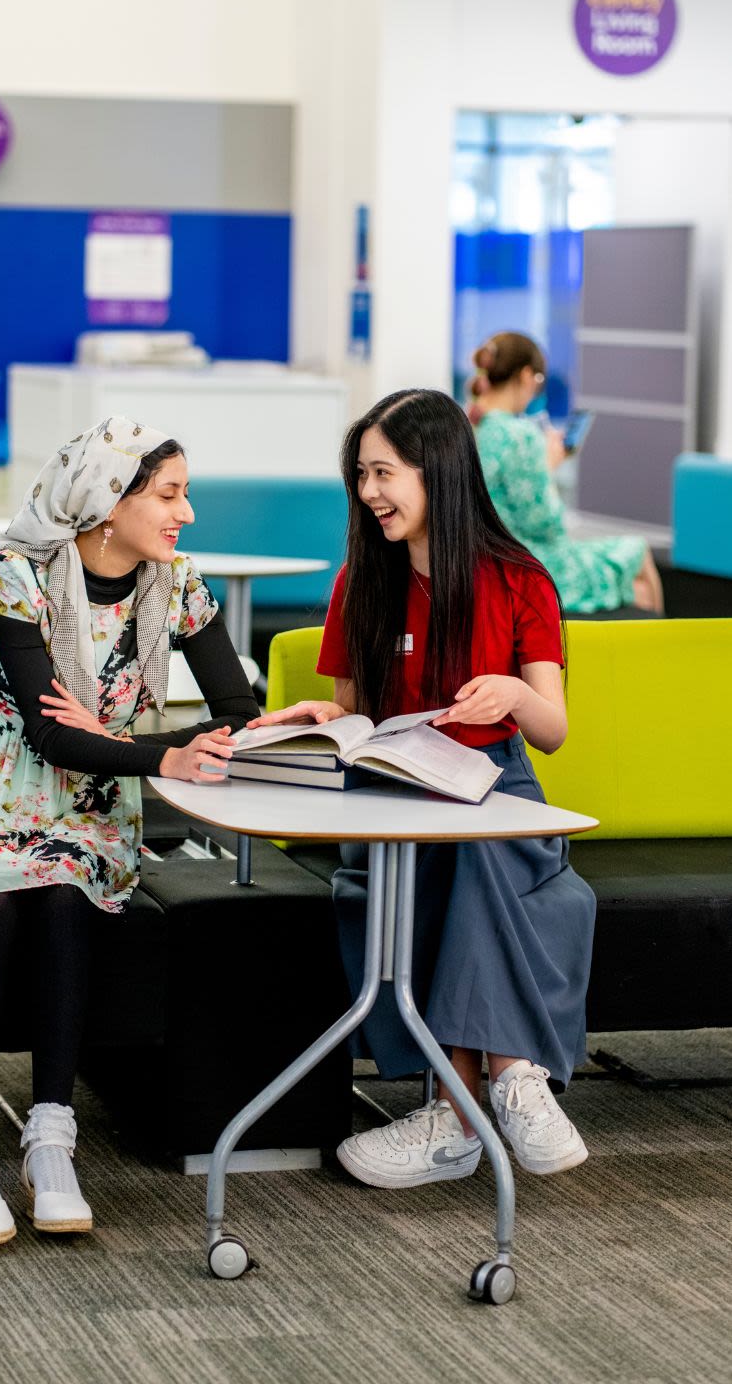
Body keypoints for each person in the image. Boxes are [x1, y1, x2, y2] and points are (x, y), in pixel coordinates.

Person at [0, 416, 258, 1251]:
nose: (185, 512)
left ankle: (52, 1137)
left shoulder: (179, 585)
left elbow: (236, 711)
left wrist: (235, 735)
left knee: (61, 885)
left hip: (87, 798)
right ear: (106, 501)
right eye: (168, 493)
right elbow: (48, 735)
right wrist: (165, 753)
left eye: (184, 492)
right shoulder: (21, 574)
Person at [248, 389, 596, 1190]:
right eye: (361, 475)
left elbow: (551, 728)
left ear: (437, 471)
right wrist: (322, 714)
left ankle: (459, 1113)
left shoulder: (519, 581)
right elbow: (359, 716)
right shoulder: (361, 583)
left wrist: (512, 692)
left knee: (478, 854)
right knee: (460, 858)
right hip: (398, 791)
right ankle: (510, 1079)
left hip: (500, 787)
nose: (369, 492)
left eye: (383, 472)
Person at [470, 331, 664, 615]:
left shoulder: (473, 426)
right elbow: (547, 522)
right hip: (533, 565)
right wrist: (547, 465)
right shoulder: (520, 436)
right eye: (537, 382)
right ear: (526, 376)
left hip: (490, 561)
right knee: (639, 552)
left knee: (634, 582)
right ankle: (664, 646)